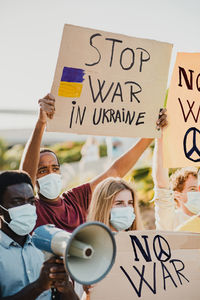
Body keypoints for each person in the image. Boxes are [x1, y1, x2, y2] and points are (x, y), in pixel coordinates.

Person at [20, 93, 167, 233]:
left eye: (55, 168)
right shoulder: (32, 207)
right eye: (43, 170)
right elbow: (24, 180)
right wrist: (41, 123)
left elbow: (114, 172)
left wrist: (151, 134)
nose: (51, 174)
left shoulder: (74, 200)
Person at [0, 170, 79, 300]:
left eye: (31, 201)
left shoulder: (45, 246)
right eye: (17, 201)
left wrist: (65, 286)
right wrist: (39, 287)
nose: (27, 207)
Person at [82, 176, 143, 299]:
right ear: (104, 207)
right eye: (119, 203)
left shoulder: (143, 245)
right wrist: (89, 291)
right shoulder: (89, 250)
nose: (126, 208)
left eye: (130, 203)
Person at [152, 131, 199, 231]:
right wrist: (160, 137)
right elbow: (161, 185)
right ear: (178, 195)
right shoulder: (171, 221)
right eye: (193, 189)